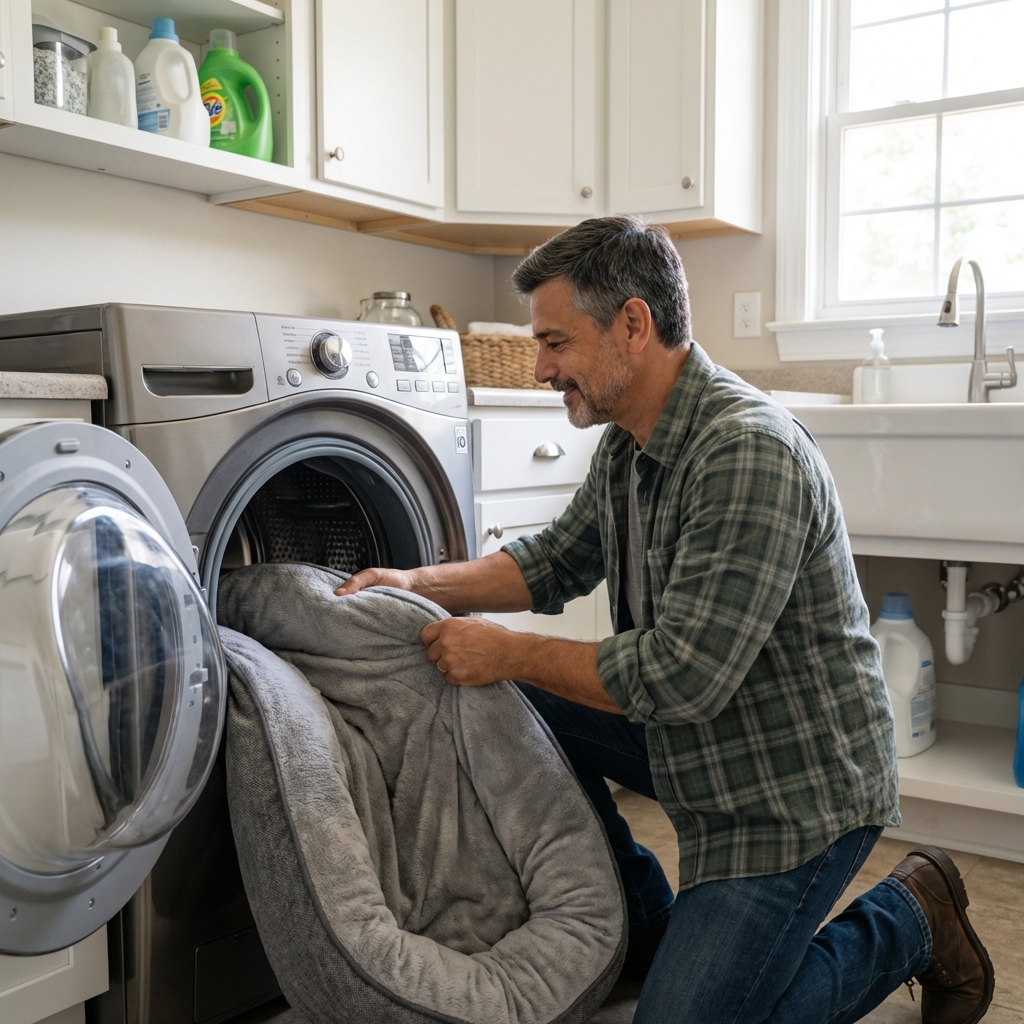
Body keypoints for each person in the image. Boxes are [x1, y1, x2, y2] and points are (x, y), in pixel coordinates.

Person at [336, 216, 994, 1024]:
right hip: (699, 747)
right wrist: (417, 581)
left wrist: (504, 651)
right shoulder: (629, 442)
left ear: (633, 325)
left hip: (788, 790)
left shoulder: (747, 451)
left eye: (555, 343)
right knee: (509, 699)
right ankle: (645, 916)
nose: (541, 368)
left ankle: (909, 917)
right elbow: (551, 563)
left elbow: (678, 676)